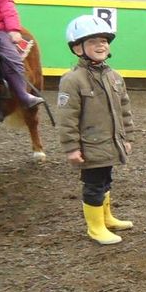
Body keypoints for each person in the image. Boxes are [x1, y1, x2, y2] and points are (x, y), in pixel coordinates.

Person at [57, 15, 135, 246]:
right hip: (90, 146)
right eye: (92, 42)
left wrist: (127, 137)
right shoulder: (72, 80)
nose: (101, 45)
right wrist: (71, 148)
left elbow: (124, 110)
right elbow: (67, 118)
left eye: (104, 41)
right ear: (77, 48)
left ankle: (106, 217)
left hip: (110, 143)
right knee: (93, 185)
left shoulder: (114, 77)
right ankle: (95, 227)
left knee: (105, 180)